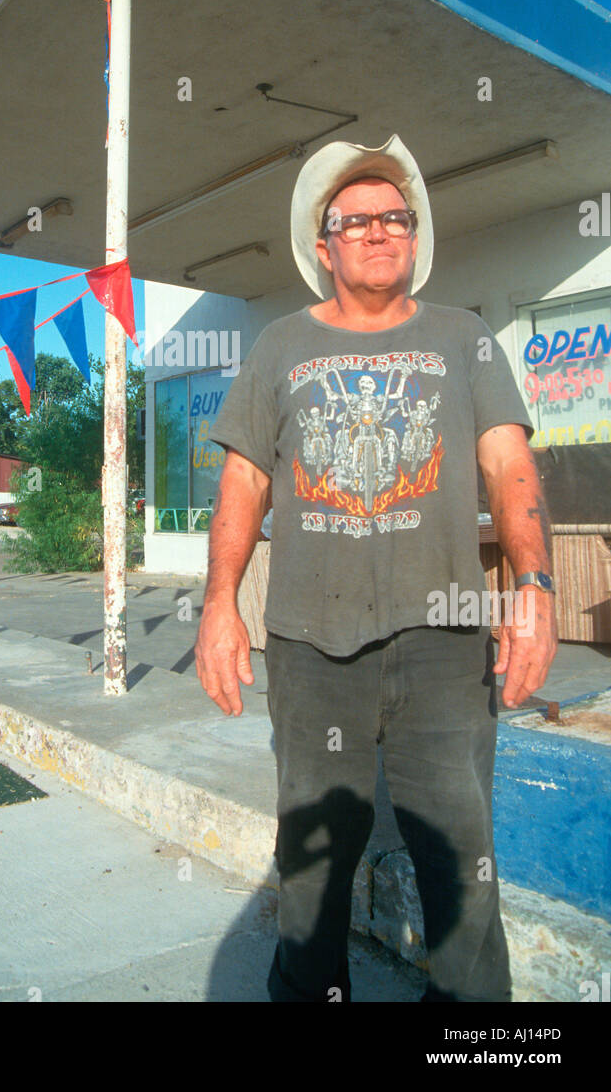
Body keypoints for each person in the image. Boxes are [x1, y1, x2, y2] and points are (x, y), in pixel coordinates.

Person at [194, 134, 557, 1003]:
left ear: (413, 235)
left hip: (443, 647)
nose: (378, 231)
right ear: (323, 247)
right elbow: (244, 481)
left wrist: (535, 588)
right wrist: (218, 605)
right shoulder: (279, 344)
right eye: (354, 221)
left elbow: (509, 468)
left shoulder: (463, 339)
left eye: (394, 217)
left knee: (461, 866)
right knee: (312, 871)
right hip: (312, 647)